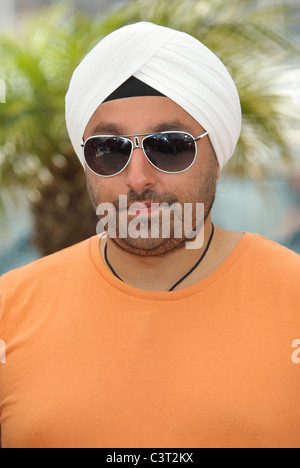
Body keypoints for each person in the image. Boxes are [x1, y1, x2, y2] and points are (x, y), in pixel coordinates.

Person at [0, 22, 299, 449]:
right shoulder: (9, 310)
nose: (138, 178)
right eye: (109, 149)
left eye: (170, 146)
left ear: (218, 156)